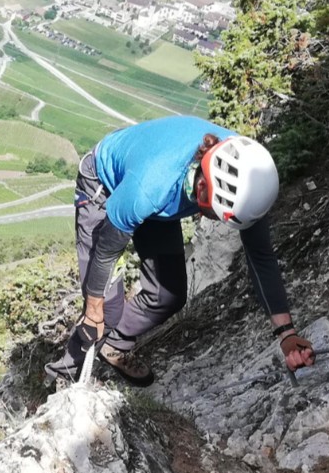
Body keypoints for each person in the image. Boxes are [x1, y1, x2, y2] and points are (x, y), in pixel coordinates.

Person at [44, 115, 314, 387]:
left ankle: (114, 345)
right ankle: (61, 377)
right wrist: (94, 310)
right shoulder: (150, 186)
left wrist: (286, 334)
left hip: (157, 201)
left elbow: (261, 257)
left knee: (167, 295)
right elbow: (105, 253)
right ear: (202, 188)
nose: (215, 221)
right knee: (105, 309)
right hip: (104, 186)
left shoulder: (246, 178)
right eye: (215, 214)